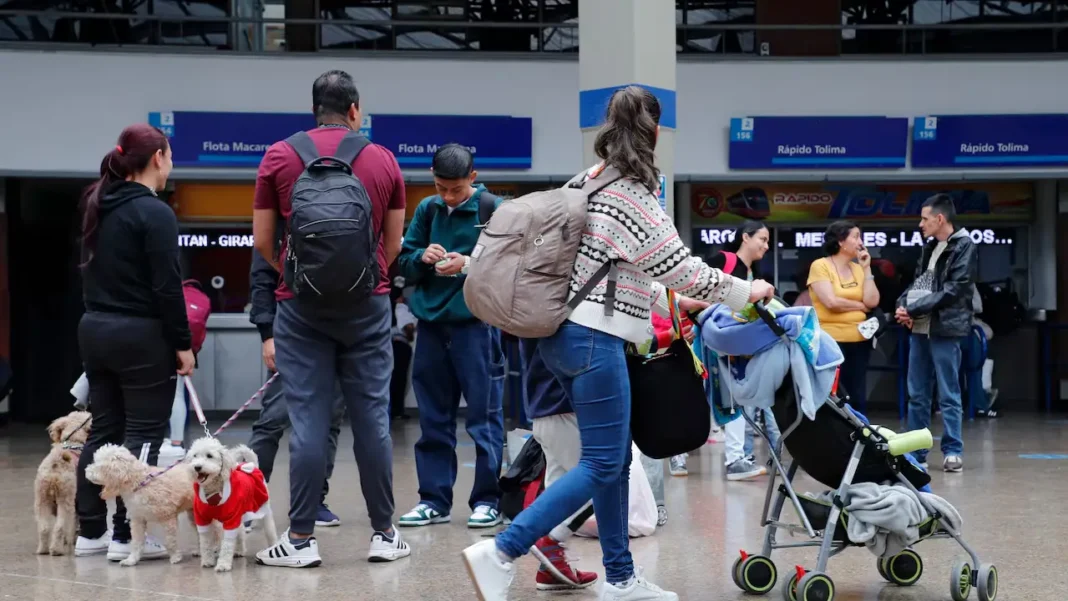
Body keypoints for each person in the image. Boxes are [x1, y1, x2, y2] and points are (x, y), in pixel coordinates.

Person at [460, 86, 773, 601]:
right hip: (594, 341)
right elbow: (679, 267)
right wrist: (744, 291)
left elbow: (620, 274)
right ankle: (503, 549)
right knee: (605, 462)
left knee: (611, 463)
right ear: (654, 132)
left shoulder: (587, 181)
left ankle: (622, 578)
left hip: (562, 336)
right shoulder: (632, 194)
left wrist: (660, 300)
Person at [251, 69, 409, 566]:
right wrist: (366, 279)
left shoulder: (279, 156)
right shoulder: (383, 161)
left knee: (308, 422)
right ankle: (385, 534)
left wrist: (296, 276)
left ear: (315, 109)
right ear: (356, 110)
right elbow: (393, 244)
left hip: (300, 312)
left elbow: (262, 241)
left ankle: (299, 541)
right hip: (367, 307)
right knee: (373, 422)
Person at [73, 123, 193, 561]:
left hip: (95, 329)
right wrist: (183, 344)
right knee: (144, 433)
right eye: (171, 156)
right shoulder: (155, 212)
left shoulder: (97, 202)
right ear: (158, 158)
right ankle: (128, 534)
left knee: (103, 430)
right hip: (140, 336)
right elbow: (167, 286)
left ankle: (90, 532)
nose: (171, 164)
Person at [395, 144, 506, 529]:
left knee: (484, 417)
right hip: (431, 328)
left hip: (477, 328)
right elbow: (404, 263)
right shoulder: (428, 210)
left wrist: (467, 265)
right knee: (433, 418)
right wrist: (422, 257)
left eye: (455, 189)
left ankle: (489, 500)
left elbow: (513, 266)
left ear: (472, 179)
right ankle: (434, 499)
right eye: (440, 187)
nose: (447, 196)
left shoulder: (494, 210)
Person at [246, 243, 344, 528]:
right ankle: (248, 501)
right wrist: (268, 334)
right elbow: (262, 281)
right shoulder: (277, 227)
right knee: (272, 421)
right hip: (289, 336)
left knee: (329, 423)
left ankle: (314, 501)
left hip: (338, 336)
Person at [896, 194, 977, 473]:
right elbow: (920, 282)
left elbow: (955, 289)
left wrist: (914, 308)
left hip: (945, 328)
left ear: (940, 219)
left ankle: (953, 450)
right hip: (919, 328)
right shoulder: (929, 247)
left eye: (925, 219)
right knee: (917, 392)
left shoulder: (964, 246)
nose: (921, 224)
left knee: (948, 392)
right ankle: (916, 453)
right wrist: (902, 306)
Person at [707, 220, 776, 481]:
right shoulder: (723, 261)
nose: (766, 246)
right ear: (745, 238)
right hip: (715, 338)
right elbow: (697, 290)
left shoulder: (751, 274)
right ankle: (679, 457)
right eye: (762, 239)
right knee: (714, 395)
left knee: (735, 398)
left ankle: (736, 458)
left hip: (733, 343)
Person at [807, 221, 880, 412]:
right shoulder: (820, 266)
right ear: (841, 241)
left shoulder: (858, 268)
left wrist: (867, 268)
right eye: (855, 236)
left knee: (857, 392)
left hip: (859, 338)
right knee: (834, 392)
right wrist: (859, 306)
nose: (860, 242)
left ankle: (860, 434)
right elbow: (831, 302)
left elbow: (872, 301)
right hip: (831, 339)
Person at [390, 296, 417, 421]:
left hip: (390, 345)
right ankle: (397, 410)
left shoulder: (387, 309)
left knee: (391, 379)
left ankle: (392, 409)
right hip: (401, 345)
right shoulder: (402, 309)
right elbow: (409, 329)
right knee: (400, 379)